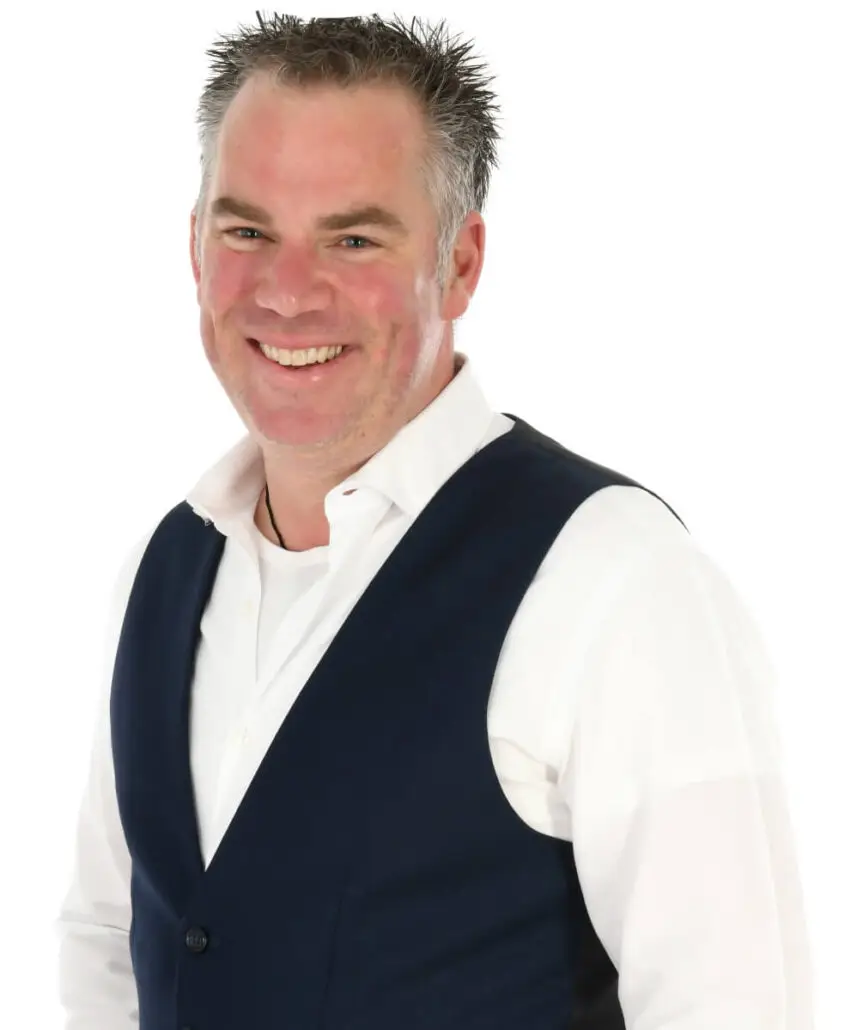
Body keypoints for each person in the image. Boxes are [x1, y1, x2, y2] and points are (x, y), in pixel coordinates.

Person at [54, 13, 814, 1030]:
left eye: (353, 238)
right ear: (193, 247)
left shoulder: (616, 579)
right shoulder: (163, 570)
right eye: (246, 231)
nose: (287, 292)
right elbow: (110, 942)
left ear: (459, 264)